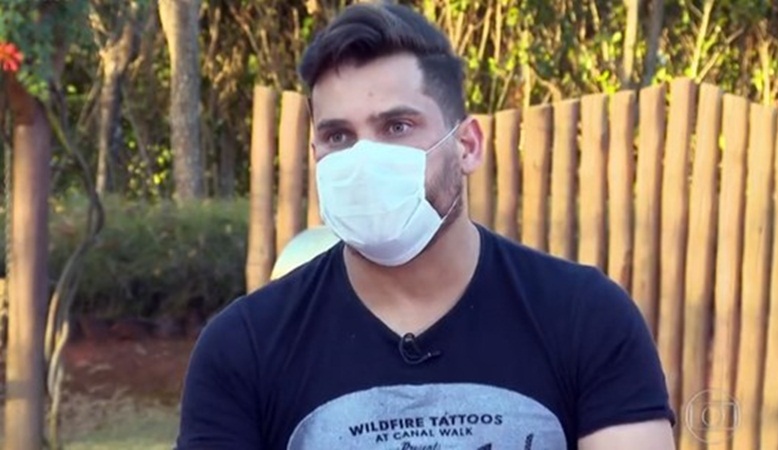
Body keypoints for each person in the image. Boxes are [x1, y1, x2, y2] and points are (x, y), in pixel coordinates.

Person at [175, 2, 676, 449]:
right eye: (338, 136)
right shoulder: (244, 348)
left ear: (467, 146)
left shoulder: (585, 318)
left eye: (397, 127)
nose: (365, 159)